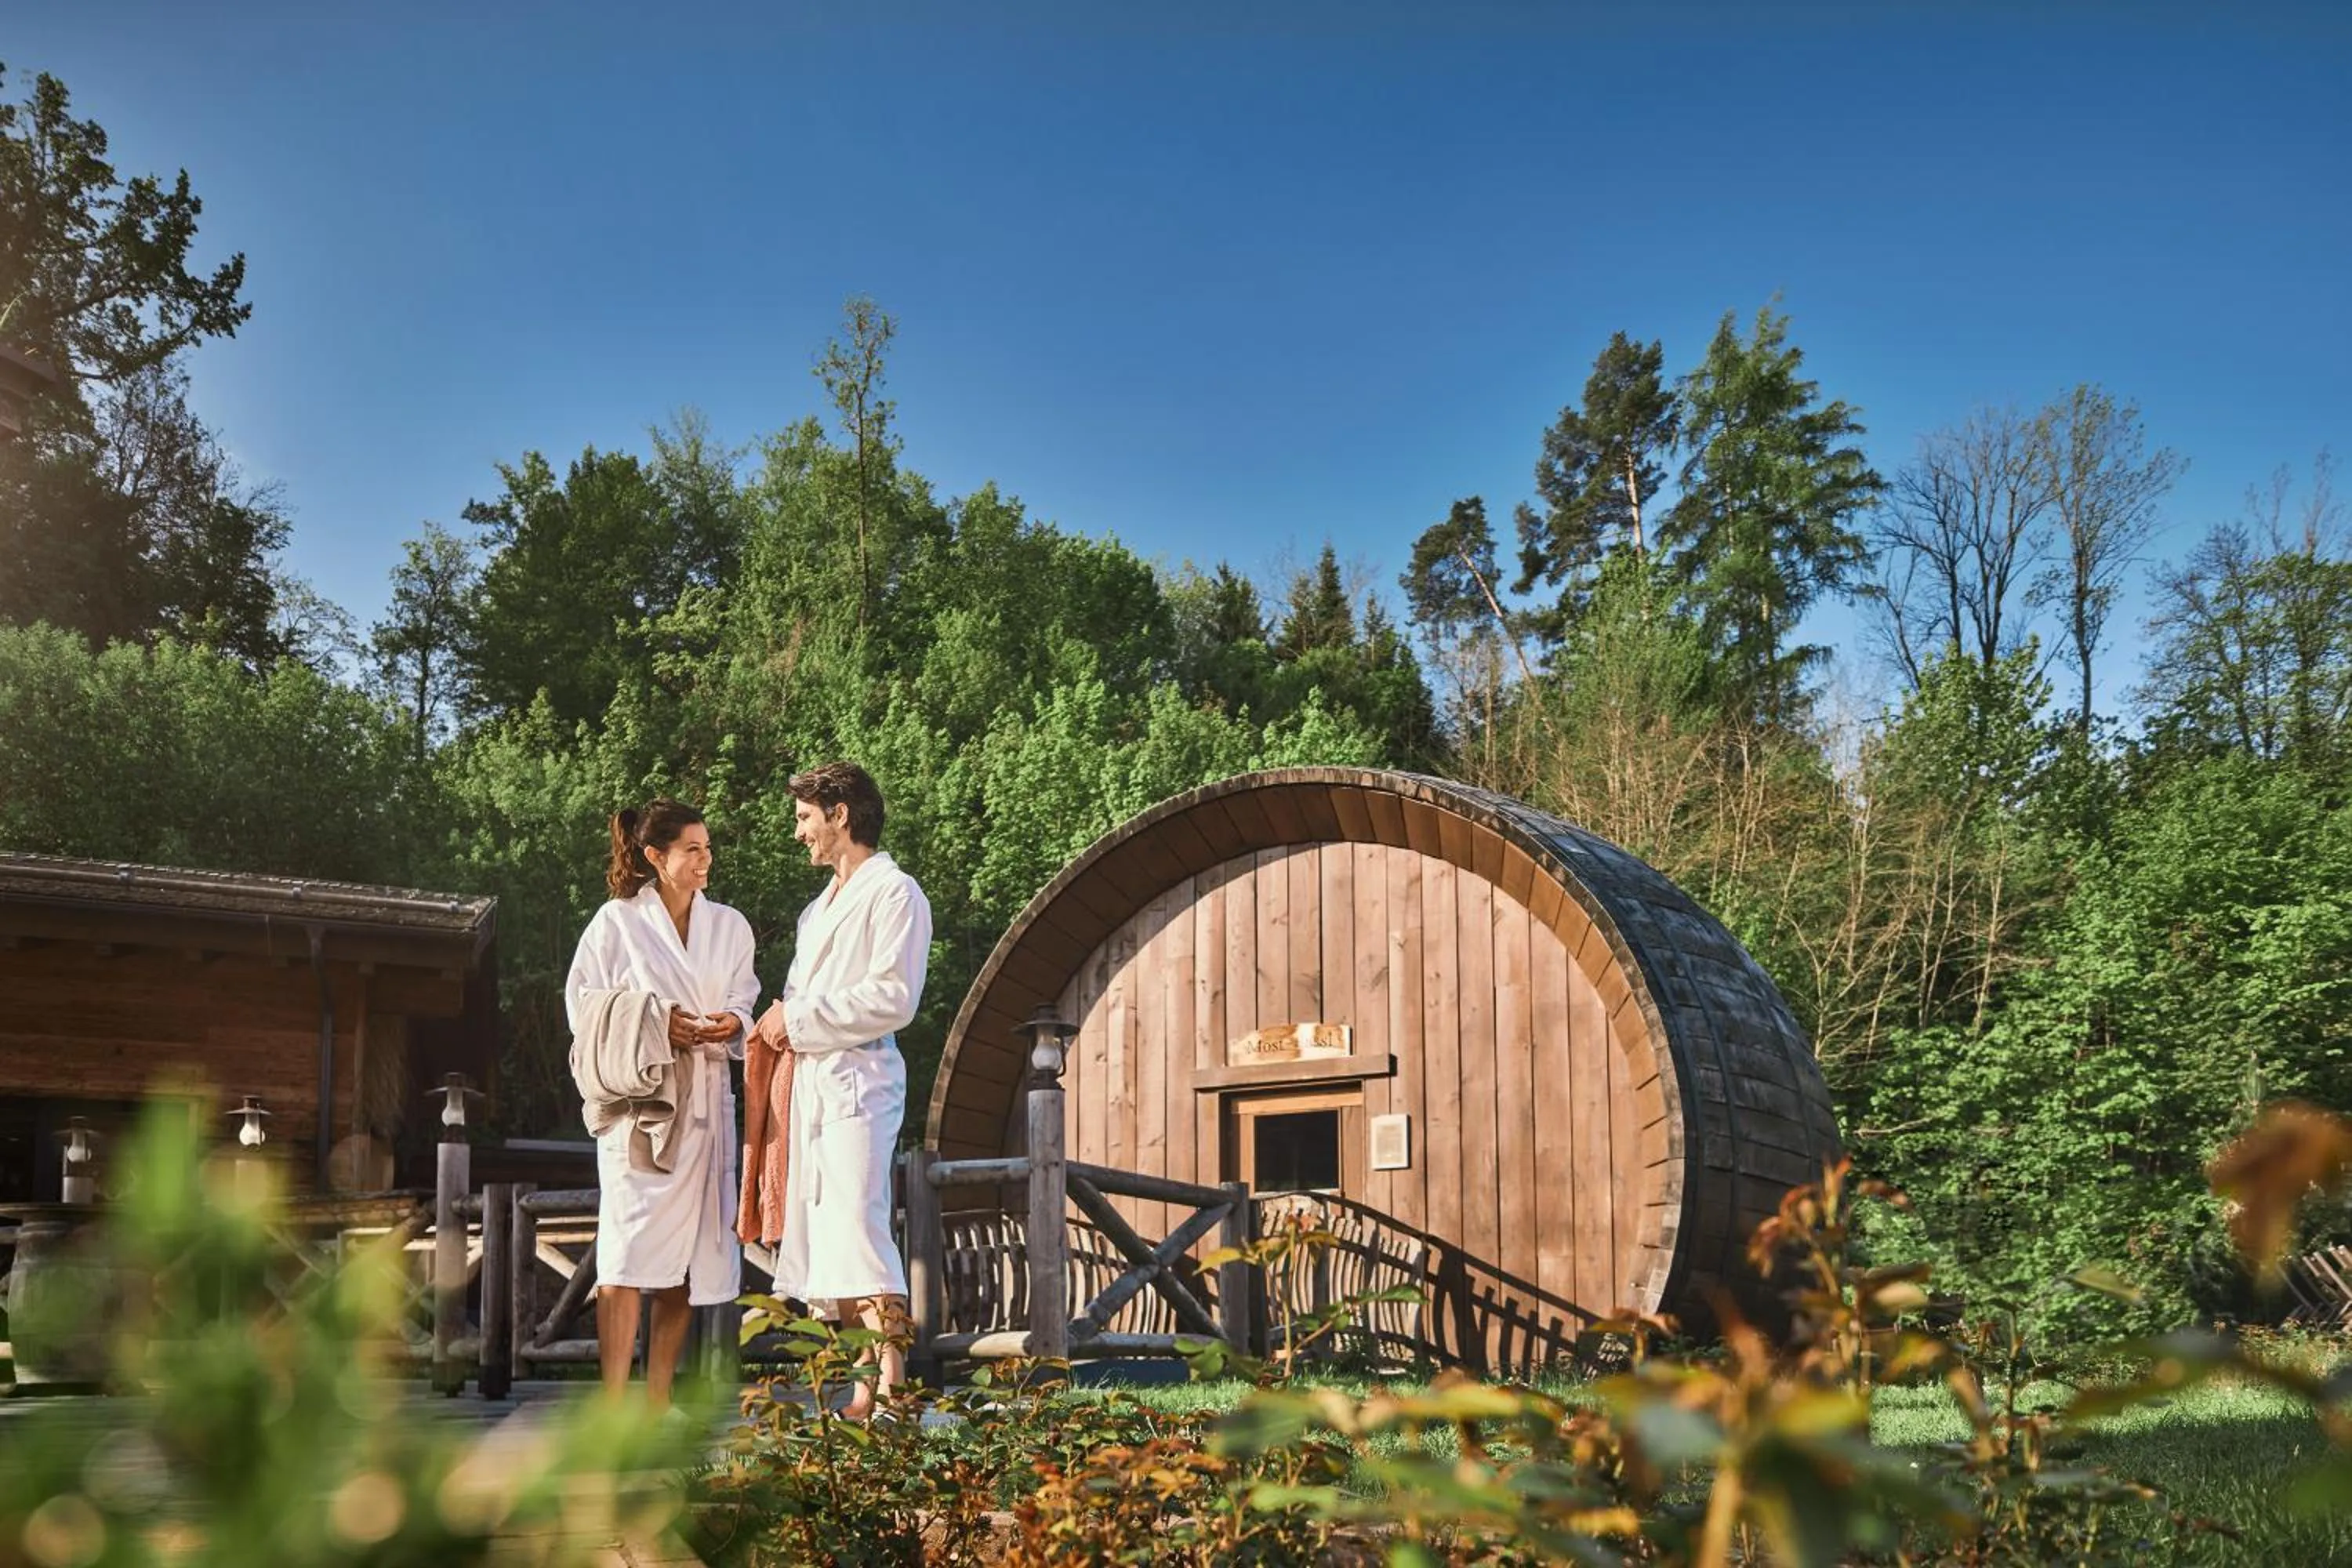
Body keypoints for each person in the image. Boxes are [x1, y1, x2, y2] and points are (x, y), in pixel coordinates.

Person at [750, 761, 932, 1420]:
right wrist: (779, 1019)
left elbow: (894, 998)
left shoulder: (896, 894)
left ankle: (897, 1385)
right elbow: (802, 997)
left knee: (860, 1226)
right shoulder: (813, 911)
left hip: (860, 1084)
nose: (798, 831)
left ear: (840, 815)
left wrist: (795, 1020)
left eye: (804, 817)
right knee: (831, 1236)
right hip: (813, 1091)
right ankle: (864, 1390)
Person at [565, 798, 757, 1408]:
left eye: (707, 847)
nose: (706, 860)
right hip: (642, 1112)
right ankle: (615, 1407)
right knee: (623, 1257)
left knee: (684, 1264)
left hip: (705, 1107)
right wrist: (658, 1024)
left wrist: (732, 1023)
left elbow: (746, 999)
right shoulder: (616, 923)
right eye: (692, 850)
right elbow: (583, 1008)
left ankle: (656, 1404)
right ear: (656, 856)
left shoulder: (729, 926)